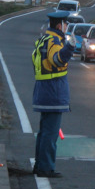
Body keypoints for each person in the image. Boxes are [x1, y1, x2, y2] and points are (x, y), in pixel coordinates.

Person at [31, 10, 74, 178]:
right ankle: (46, 168)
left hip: (44, 91)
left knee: (44, 132)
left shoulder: (44, 39)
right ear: (59, 25)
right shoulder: (55, 41)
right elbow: (57, 59)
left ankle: (40, 165)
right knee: (50, 134)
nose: (67, 27)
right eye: (66, 24)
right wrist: (69, 47)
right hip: (53, 93)